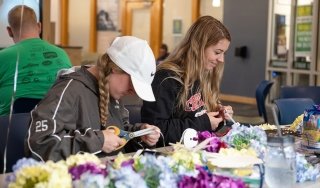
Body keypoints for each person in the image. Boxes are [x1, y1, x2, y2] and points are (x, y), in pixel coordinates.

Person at [26, 36, 161, 162]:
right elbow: (39, 144)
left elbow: (118, 133)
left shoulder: (113, 92)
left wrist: (139, 134)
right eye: (132, 83)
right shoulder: (70, 89)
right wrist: (98, 141)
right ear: (115, 68)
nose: (133, 93)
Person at [141, 16, 234, 146]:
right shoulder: (165, 79)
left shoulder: (203, 76)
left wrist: (218, 118)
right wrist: (204, 122)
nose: (221, 60)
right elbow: (156, 131)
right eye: (217, 52)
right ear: (199, 47)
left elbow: (199, 122)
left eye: (224, 53)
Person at [0, 5, 72, 116]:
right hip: (55, 127)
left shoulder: (2, 57)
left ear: (9, 31)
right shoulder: (62, 54)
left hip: (11, 129)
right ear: (39, 26)